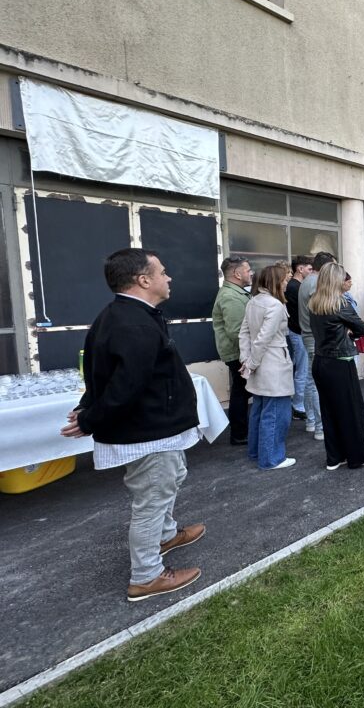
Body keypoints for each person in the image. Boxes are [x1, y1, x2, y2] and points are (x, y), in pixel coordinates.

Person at [61, 248, 204, 602]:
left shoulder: (125, 316)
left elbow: (100, 374)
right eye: (162, 272)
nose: (168, 278)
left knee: (170, 482)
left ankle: (166, 535)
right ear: (144, 280)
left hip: (156, 428)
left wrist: (87, 409)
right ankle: (146, 576)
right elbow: (124, 386)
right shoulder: (133, 323)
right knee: (152, 500)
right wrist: (90, 417)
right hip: (148, 432)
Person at [310, 262, 364, 470]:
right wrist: (348, 332)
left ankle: (335, 456)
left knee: (330, 411)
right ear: (337, 280)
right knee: (352, 411)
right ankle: (359, 455)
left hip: (320, 361)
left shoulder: (314, 302)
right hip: (339, 363)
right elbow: (361, 327)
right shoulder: (340, 303)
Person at [239, 264, 295, 471]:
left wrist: (246, 361)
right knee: (276, 413)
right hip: (273, 364)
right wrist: (250, 364)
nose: (287, 283)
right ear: (276, 282)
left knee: (260, 410)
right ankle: (271, 458)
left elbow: (244, 333)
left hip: (259, 364)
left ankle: (257, 452)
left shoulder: (253, 302)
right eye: (284, 280)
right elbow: (263, 338)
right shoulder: (275, 305)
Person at [211, 255, 252, 445]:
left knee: (241, 391)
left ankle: (240, 432)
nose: (250, 273)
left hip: (238, 352)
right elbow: (237, 332)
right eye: (247, 270)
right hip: (238, 353)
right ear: (237, 273)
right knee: (241, 392)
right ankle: (239, 433)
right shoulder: (231, 296)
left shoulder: (237, 293)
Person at [298, 251, 336, 441]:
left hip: (309, 336)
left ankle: (312, 422)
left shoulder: (307, 281)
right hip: (316, 338)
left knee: (311, 380)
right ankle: (321, 427)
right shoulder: (315, 283)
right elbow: (322, 311)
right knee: (319, 384)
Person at [284, 255, 312, 421]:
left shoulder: (297, 286)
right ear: (300, 269)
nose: (311, 271)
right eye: (309, 268)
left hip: (299, 332)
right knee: (302, 370)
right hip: (299, 333)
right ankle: (298, 405)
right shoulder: (296, 287)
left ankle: (299, 403)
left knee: (302, 369)